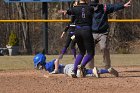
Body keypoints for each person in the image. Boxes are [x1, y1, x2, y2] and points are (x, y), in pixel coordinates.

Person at [87, 0, 132, 77]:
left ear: (98, 4)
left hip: (103, 33)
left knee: (104, 48)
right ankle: (91, 69)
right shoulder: (88, 9)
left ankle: (107, 67)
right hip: (92, 33)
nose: (93, 7)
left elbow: (114, 7)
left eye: (95, 5)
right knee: (90, 50)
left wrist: (123, 6)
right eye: (92, 5)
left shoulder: (104, 8)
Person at [64, 0, 97, 78]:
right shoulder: (90, 8)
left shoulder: (75, 8)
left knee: (82, 51)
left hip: (77, 31)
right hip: (86, 30)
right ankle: (81, 66)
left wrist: (66, 11)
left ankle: (74, 71)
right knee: (90, 53)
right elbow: (91, 11)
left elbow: (69, 11)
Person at [33, 53, 100, 78]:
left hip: (67, 68)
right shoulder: (47, 67)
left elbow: (56, 60)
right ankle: (94, 72)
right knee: (81, 73)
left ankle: (93, 72)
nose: (38, 66)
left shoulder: (48, 65)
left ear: (41, 62)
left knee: (78, 73)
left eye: (38, 64)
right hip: (67, 69)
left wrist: (56, 70)